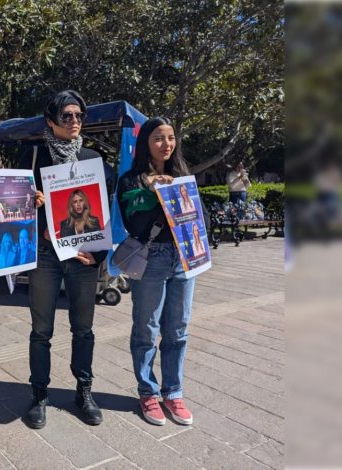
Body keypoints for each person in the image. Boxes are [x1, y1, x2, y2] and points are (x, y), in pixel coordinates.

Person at [17, 90, 109, 429]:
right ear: (51, 120)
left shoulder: (91, 158)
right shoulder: (32, 156)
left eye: (79, 116)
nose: (74, 121)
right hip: (46, 256)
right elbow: (10, 206)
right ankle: (39, 394)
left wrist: (98, 253)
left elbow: (103, 211)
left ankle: (83, 391)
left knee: (83, 329)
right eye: (67, 116)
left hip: (82, 257)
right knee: (41, 330)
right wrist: (33, 208)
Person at [117, 116, 195, 427]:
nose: (166, 144)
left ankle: (173, 392)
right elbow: (132, 222)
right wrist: (152, 191)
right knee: (147, 330)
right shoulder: (130, 180)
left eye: (171, 138)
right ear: (146, 143)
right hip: (151, 259)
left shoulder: (181, 175)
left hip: (184, 258)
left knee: (178, 329)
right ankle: (147, 391)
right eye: (159, 138)